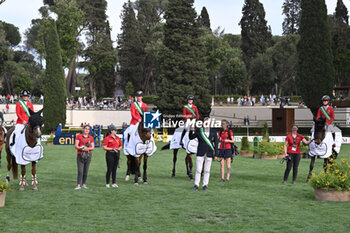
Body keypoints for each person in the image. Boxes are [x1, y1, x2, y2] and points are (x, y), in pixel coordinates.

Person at [190, 114, 218, 191]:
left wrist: (216, 154)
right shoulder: (199, 130)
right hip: (200, 152)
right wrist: (191, 130)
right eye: (205, 122)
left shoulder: (213, 132)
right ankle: (196, 184)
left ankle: (205, 185)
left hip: (209, 153)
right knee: (198, 169)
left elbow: (216, 143)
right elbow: (191, 137)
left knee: (207, 170)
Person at [74, 125, 95, 190]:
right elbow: (76, 146)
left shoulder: (91, 138)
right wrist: (82, 148)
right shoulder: (79, 136)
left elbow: (93, 147)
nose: (86, 130)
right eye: (86, 129)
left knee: (86, 170)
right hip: (80, 154)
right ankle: (78, 185)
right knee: (80, 170)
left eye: (88, 129)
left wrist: (87, 149)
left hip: (88, 155)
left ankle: (84, 184)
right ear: (83, 129)